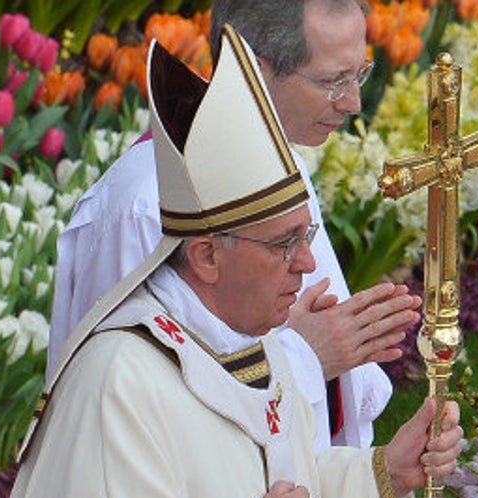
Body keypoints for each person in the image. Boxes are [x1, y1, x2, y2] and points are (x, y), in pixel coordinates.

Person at [0, 28, 461, 498]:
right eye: (285, 245)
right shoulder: (121, 382)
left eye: (305, 237)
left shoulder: (255, 341)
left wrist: (385, 475)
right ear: (205, 256)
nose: (308, 265)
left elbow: (289, 487)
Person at [48, 0, 417, 452]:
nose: (354, 102)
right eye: (331, 81)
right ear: (253, 70)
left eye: (358, 73)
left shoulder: (281, 166)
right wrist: (305, 360)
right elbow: (128, 405)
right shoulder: (146, 210)